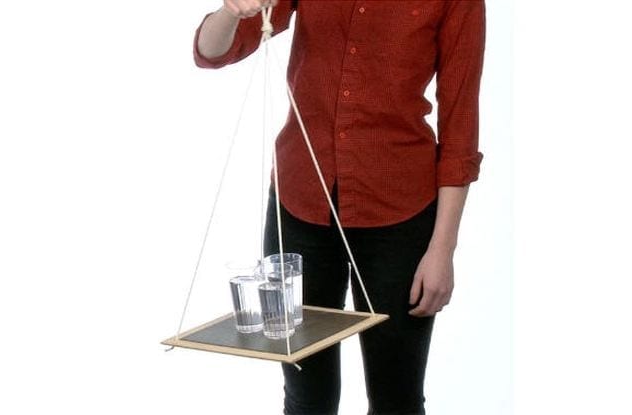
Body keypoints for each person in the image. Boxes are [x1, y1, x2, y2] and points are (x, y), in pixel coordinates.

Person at [193, 1, 486, 414]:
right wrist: (231, 10)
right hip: (299, 204)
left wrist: (443, 249)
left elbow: (460, 128)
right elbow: (213, 51)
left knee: (396, 398)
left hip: (399, 215)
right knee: (305, 394)